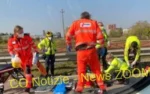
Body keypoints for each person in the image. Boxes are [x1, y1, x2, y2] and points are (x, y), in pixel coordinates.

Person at [66, 11, 106, 94]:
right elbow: (101, 38)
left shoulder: (76, 23)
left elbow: (68, 35)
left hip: (81, 52)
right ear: (89, 17)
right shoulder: (94, 23)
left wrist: (69, 44)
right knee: (96, 70)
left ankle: (79, 89)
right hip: (92, 51)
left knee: (81, 71)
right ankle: (102, 88)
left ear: (81, 17)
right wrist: (101, 46)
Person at [7, 25, 38, 92]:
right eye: (20, 32)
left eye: (22, 31)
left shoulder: (27, 37)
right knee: (25, 72)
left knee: (27, 70)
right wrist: (13, 56)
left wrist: (36, 51)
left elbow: (33, 44)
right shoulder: (11, 40)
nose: (22, 33)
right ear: (16, 33)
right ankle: (31, 82)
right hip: (19, 59)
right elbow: (10, 49)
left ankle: (28, 87)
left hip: (28, 56)